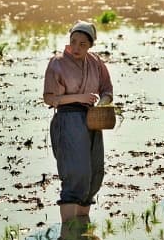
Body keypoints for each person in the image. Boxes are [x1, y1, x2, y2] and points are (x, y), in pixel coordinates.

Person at [43, 21, 114, 224]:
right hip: (68, 120)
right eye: (73, 42)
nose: (76, 47)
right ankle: (68, 233)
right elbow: (49, 98)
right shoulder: (57, 63)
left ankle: (81, 229)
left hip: (92, 122)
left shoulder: (96, 62)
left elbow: (107, 90)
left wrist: (101, 104)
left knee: (94, 174)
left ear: (90, 45)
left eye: (82, 44)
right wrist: (79, 98)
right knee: (76, 174)